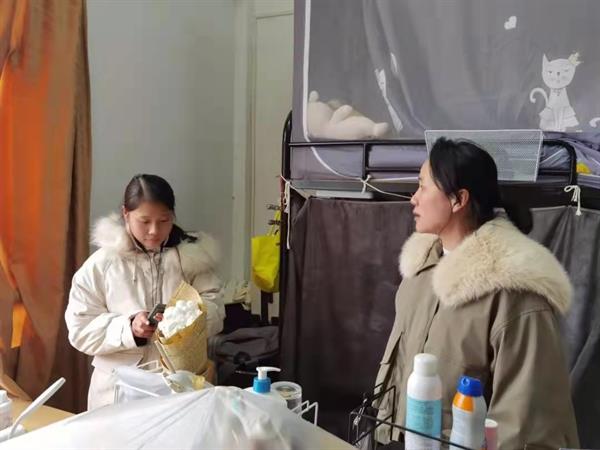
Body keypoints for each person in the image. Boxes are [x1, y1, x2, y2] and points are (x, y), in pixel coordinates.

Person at [374, 138, 579, 448]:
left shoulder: (515, 295)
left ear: (458, 199)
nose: (413, 198)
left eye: (423, 186)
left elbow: (527, 425)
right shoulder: (418, 273)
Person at [65, 174, 224, 409]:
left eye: (164, 220)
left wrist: (182, 323)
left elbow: (216, 310)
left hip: (181, 386)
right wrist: (129, 328)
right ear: (125, 214)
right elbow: (80, 329)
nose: (154, 231)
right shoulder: (102, 265)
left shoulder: (193, 259)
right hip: (117, 392)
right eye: (144, 221)